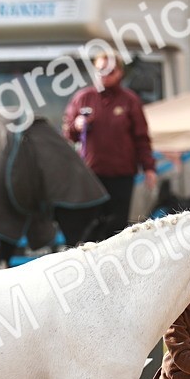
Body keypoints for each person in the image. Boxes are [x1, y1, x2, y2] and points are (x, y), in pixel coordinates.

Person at [61, 51, 158, 245]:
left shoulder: (129, 101)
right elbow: (67, 133)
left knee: (116, 228)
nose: (105, 74)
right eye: (101, 69)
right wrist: (76, 125)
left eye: (110, 70)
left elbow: (141, 138)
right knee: (89, 227)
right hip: (90, 176)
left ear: (120, 72)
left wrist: (149, 168)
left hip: (121, 176)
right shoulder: (83, 98)